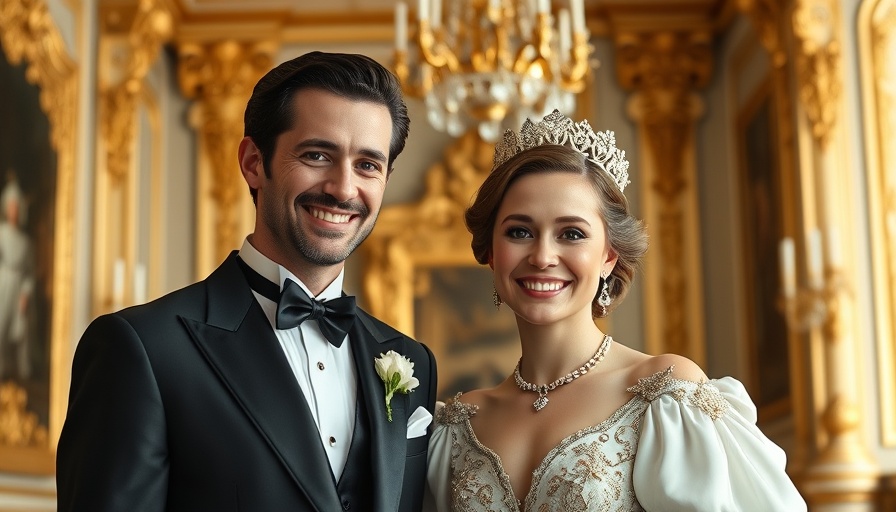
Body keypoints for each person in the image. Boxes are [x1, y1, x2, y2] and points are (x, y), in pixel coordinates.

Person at [57, 51, 438, 512]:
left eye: (367, 165)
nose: (343, 188)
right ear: (254, 162)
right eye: (317, 155)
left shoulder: (411, 360)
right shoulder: (143, 348)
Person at [425, 110, 807, 511]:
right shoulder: (458, 424)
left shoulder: (666, 395)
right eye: (519, 232)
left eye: (571, 234)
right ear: (490, 251)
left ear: (608, 256)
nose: (542, 256)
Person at [0, 177, 35, 380]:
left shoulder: (26, 241)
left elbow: (29, 273)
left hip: (18, 287)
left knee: (20, 331)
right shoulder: (2, 233)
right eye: (10, 206)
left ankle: (20, 374)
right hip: (3, 285)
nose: (13, 210)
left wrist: (25, 293)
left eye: (16, 207)